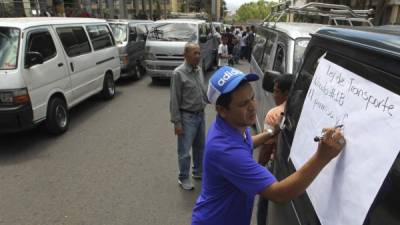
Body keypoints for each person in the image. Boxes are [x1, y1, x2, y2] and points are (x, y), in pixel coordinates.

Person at [191, 66, 346, 225]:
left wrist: (272, 131)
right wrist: (322, 157)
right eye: (243, 104)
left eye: (252, 98)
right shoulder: (226, 150)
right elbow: (279, 194)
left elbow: (247, 141)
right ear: (222, 110)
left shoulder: (228, 127)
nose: (252, 106)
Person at [257, 74, 293, 225]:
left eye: (276, 91)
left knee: (264, 203)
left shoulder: (274, 114)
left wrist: (259, 167)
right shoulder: (301, 110)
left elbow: (267, 147)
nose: (273, 94)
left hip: (276, 164)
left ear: (287, 93)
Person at [170, 43, 207, 190]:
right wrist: (177, 123)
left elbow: (201, 90)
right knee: (184, 151)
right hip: (187, 118)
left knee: (200, 147)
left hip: (200, 115)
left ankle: (198, 172)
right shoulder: (178, 73)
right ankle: (183, 178)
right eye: (195, 53)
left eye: (199, 53)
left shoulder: (198, 70)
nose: (198, 56)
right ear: (185, 55)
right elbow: (174, 100)